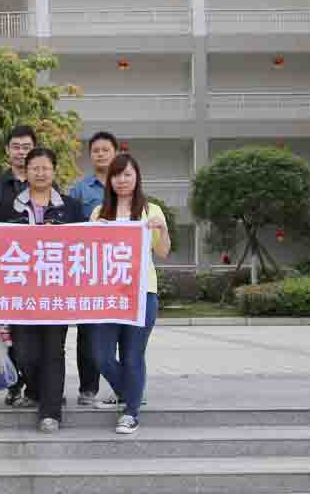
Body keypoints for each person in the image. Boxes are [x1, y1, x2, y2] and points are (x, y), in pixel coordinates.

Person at [1, 147, 85, 433]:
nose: (40, 173)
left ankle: (51, 411)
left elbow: (83, 245)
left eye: (45, 168)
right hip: (20, 292)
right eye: (34, 168)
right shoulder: (10, 206)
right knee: (25, 352)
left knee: (53, 350)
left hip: (56, 292)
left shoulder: (71, 207)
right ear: (25, 172)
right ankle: (36, 390)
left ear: (54, 171)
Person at [89, 153, 171, 435]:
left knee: (133, 355)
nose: (122, 180)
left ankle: (131, 412)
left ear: (137, 177)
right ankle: (129, 392)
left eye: (127, 174)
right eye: (116, 175)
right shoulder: (99, 213)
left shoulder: (152, 210)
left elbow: (163, 252)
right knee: (101, 355)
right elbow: (88, 255)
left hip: (142, 293)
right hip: (107, 294)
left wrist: (162, 229)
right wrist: (95, 234)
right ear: (109, 180)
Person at [67, 130, 119, 406]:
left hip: (119, 271)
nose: (100, 154)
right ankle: (88, 388)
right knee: (87, 333)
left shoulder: (126, 186)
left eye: (105, 150)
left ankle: (124, 386)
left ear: (115, 153)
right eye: (96, 151)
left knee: (122, 333)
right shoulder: (79, 190)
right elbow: (71, 228)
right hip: (87, 271)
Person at [0, 125, 36, 405]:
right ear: (7, 150)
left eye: (26, 147)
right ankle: (14, 385)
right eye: (16, 147)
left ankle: (38, 387)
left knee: (36, 335)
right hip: (7, 269)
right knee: (11, 332)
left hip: (38, 272)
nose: (21, 152)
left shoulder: (45, 183)